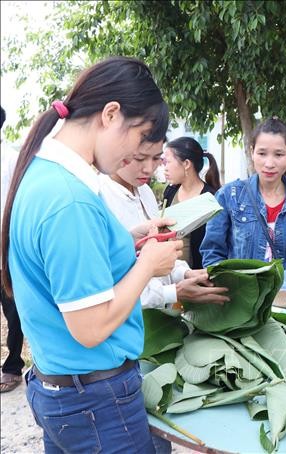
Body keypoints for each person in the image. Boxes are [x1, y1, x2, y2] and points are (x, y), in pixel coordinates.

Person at [1, 57, 183, 453]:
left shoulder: (42, 174)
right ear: (111, 114)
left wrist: (129, 239)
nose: (135, 160)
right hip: (97, 402)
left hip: (62, 390)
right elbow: (90, 327)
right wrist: (149, 264)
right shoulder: (70, 201)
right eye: (140, 141)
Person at [99, 138, 229, 309]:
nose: (150, 169)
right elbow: (107, 288)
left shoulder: (145, 192)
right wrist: (172, 292)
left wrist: (186, 273)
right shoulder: (98, 197)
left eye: (156, 159)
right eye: (139, 158)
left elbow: (160, 258)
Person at [200, 118, 286, 274]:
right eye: (262, 153)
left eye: (279, 154)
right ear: (252, 152)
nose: (269, 163)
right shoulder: (229, 196)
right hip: (240, 292)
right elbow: (213, 252)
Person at [162, 136, 221, 269]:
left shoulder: (210, 198)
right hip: (170, 275)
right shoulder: (170, 192)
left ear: (187, 164)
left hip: (198, 275)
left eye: (168, 162)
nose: (164, 168)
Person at [0, 106, 24, 394]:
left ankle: (13, 366)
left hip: (6, 250)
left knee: (14, 311)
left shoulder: (11, 159)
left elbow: (18, 203)